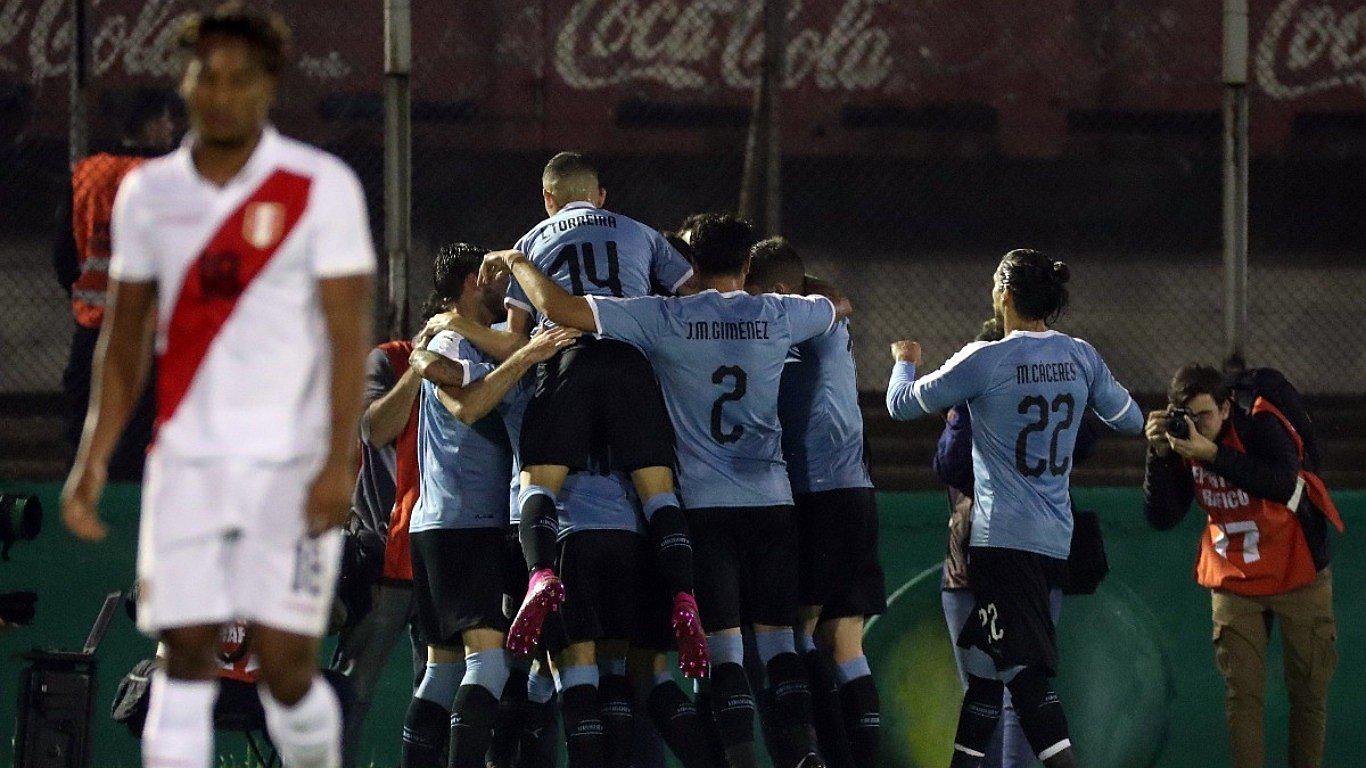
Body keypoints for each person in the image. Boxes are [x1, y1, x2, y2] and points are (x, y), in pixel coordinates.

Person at [60, 6, 376, 768]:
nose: (222, 91)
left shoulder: (320, 187)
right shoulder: (149, 194)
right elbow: (126, 337)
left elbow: (346, 337)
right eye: (208, 74)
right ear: (187, 82)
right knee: (185, 656)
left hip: (289, 461)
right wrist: (93, 455)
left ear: (269, 87)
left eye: (242, 77)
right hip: (190, 461)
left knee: (289, 667)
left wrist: (340, 460)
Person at [478, 213, 851, 768]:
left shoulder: (666, 317)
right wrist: (783, 284)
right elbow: (838, 304)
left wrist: (519, 262)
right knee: (778, 644)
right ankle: (803, 752)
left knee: (720, 650)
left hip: (699, 508)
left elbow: (564, 309)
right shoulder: (779, 312)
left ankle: (741, 761)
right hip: (771, 499)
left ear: (690, 266)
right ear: (747, 265)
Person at [449, 152, 706, 673]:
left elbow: (514, 341)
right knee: (657, 490)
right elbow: (692, 294)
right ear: (601, 196)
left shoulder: (531, 242)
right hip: (631, 362)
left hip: (567, 361)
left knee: (539, 484)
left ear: (549, 199)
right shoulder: (642, 232)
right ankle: (683, 595)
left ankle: (541, 573)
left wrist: (457, 330)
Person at [886, 249, 1142, 768]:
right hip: (1054, 540)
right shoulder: (1081, 355)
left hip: (1001, 541)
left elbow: (902, 404)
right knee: (985, 668)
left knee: (1022, 677)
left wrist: (903, 362)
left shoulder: (986, 359)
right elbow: (1131, 419)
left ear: (1004, 293)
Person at [399, 243, 579, 768]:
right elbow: (470, 403)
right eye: (499, 281)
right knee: (491, 662)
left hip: (441, 523)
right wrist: (526, 356)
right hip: (465, 521)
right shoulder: (456, 339)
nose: (508, 295)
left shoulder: (457, 341)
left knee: (444, 669)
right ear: (476, 280)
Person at [1142, 363, 1342, 768]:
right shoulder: (1184, 442)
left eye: (1205, 416)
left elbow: (1283, 484)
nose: (1197, 425)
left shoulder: (1261, 422)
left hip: (1296, 571)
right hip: (1234, 575)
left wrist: (1212, 454)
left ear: (1227, 407)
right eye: (1188, 418)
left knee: (1308, 692)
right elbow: (1162, 517)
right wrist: (1158, 456)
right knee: (1243, 695)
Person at [744, 237, 884, 768]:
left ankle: (812, 755)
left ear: (780, 293)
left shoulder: (796, 325)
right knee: (843, 644)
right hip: (852, 490)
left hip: (815, 493)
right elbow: (831, 296)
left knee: (793, 634)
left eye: (755, 294)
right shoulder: (824, 318)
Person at [331, 293, 468, 764]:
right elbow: (373, 429)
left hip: (440, 554)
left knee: (434, 694)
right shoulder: (388, 359)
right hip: (383, 555)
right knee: (353, 688)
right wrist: (419, 365)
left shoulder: (476, 367)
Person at [53, 88, 179, 481]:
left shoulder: (86, 174)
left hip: (93, 324)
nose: (172, 128)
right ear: (154, 124)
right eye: (167, 119)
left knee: (86, 429)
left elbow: (64, 258)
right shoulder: (168, 178)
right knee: (142, 434)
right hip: (148, 330)